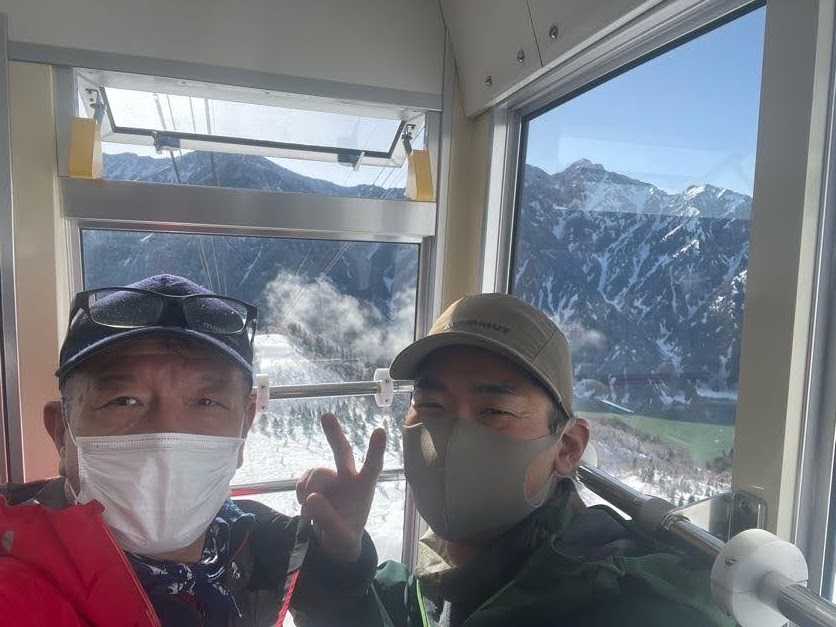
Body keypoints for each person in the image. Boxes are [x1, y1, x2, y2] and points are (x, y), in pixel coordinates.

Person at [296, 293, 735, 627]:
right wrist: (341, 566)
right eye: (431, 405)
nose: (452, 439)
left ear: (567, 448)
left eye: (494, 411)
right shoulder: (445, 580)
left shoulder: (628, 606)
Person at [0, 274, 385, 627]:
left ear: (245, 426)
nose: (166, 434)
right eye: (124, 401)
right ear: (61, 432)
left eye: (205, 402)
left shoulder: (248, 535)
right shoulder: (17, 579)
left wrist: (340, 555)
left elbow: (326, 593)